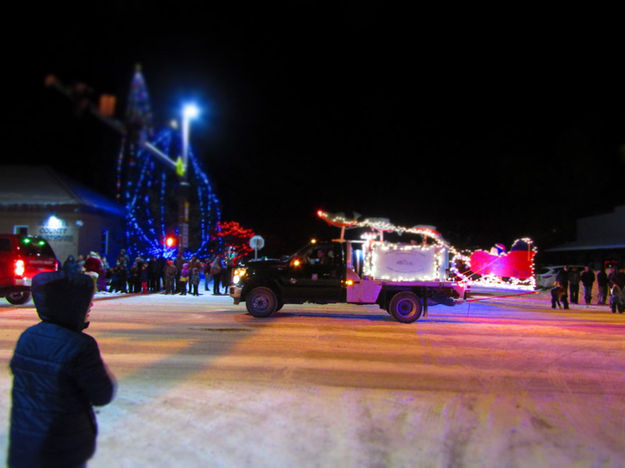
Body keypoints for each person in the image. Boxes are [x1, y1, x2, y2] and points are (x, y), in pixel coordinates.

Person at [8, 270, 115, 467]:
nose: (91, 305)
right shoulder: (80, 346)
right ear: (71, 304)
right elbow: (102, 394)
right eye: (86, 300)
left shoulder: (28, 337)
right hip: (62, 451)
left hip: (24, 446)